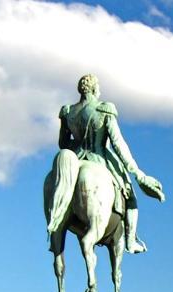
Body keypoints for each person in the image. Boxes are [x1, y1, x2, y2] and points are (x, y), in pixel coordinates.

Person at [57, 74, 158, 254]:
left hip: (76, 158)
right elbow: (118, 143)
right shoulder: (104, 109)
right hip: (100, 156)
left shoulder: (68, 112)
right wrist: (137, 173)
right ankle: (130, 240)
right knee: (130, 195)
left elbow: (63, 144)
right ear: (95, 89)